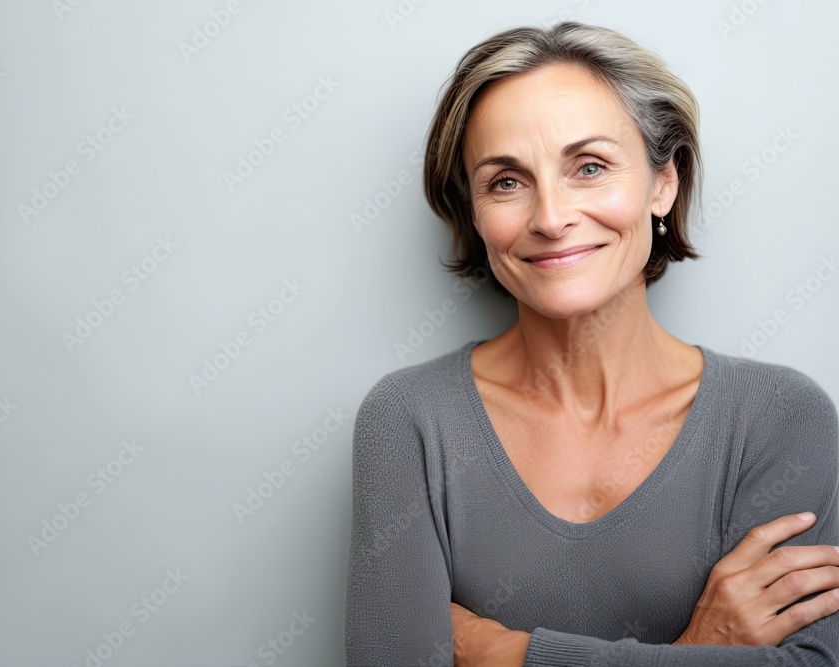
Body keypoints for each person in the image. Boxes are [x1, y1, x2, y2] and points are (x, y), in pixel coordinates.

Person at [344, 21, 839, 666]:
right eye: (506, 181)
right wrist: (701, 650)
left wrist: (502, 652)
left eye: (590, 167)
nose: (551, 218)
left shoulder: (780, 417)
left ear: (663, 183)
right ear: (473, 212)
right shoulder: (410, 419)